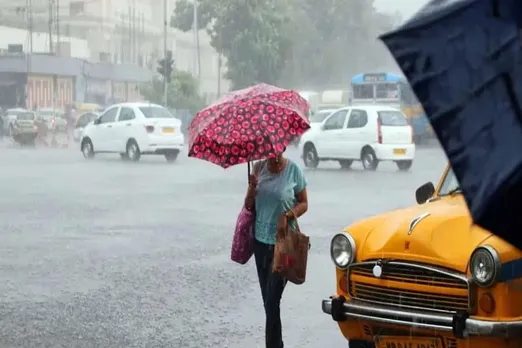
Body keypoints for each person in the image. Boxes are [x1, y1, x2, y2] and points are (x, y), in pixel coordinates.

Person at [244, 149, 308, 348]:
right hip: (261, 243)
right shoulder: (258, 168)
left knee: (272, 301)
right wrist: (251, 188)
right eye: (269, 150)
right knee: (268, 303)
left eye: (277, 149)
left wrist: (288, 215)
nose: (274, 153)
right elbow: (248, 206)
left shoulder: (294, 171)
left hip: (284, 245)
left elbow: (304, 203)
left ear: (283, 148)